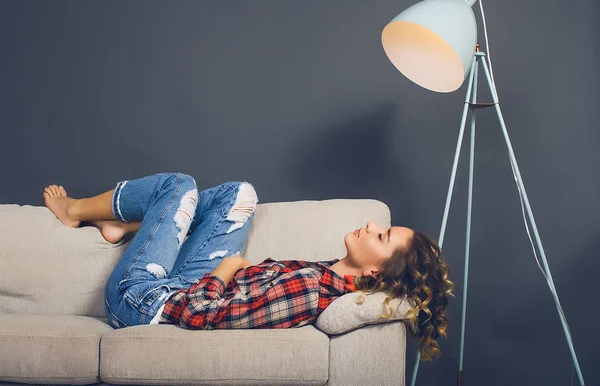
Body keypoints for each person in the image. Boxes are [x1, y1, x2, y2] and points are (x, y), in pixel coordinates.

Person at [42, 171, 454, 362]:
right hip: (186, 286)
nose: (370, 225)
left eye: (381, 237)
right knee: (240, 193)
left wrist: (225, 271)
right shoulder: (328, 273)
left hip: (145, 305)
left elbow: (200, 315)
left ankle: (74, 210)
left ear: (374, 276)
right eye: (381, 227)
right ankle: (136, 223)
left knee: (179, 186)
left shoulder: (311, 292)